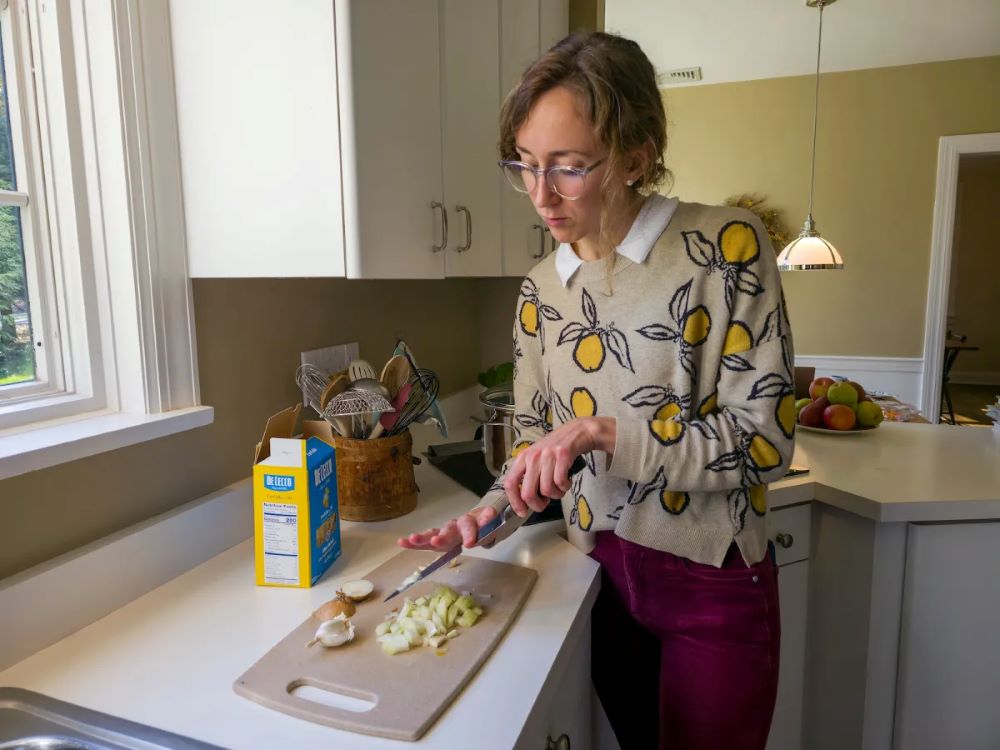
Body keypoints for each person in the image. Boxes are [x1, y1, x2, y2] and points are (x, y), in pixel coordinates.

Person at [399, 30, 795, 750]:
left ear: (637, 157)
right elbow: (531, 451)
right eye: (524, 165)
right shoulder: (540, 290)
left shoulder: (725, 247)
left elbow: (763, 441)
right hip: (599, 581)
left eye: (569, 167)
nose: (540, 194)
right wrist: (483, 520)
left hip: (712, 578)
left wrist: (603, 432)